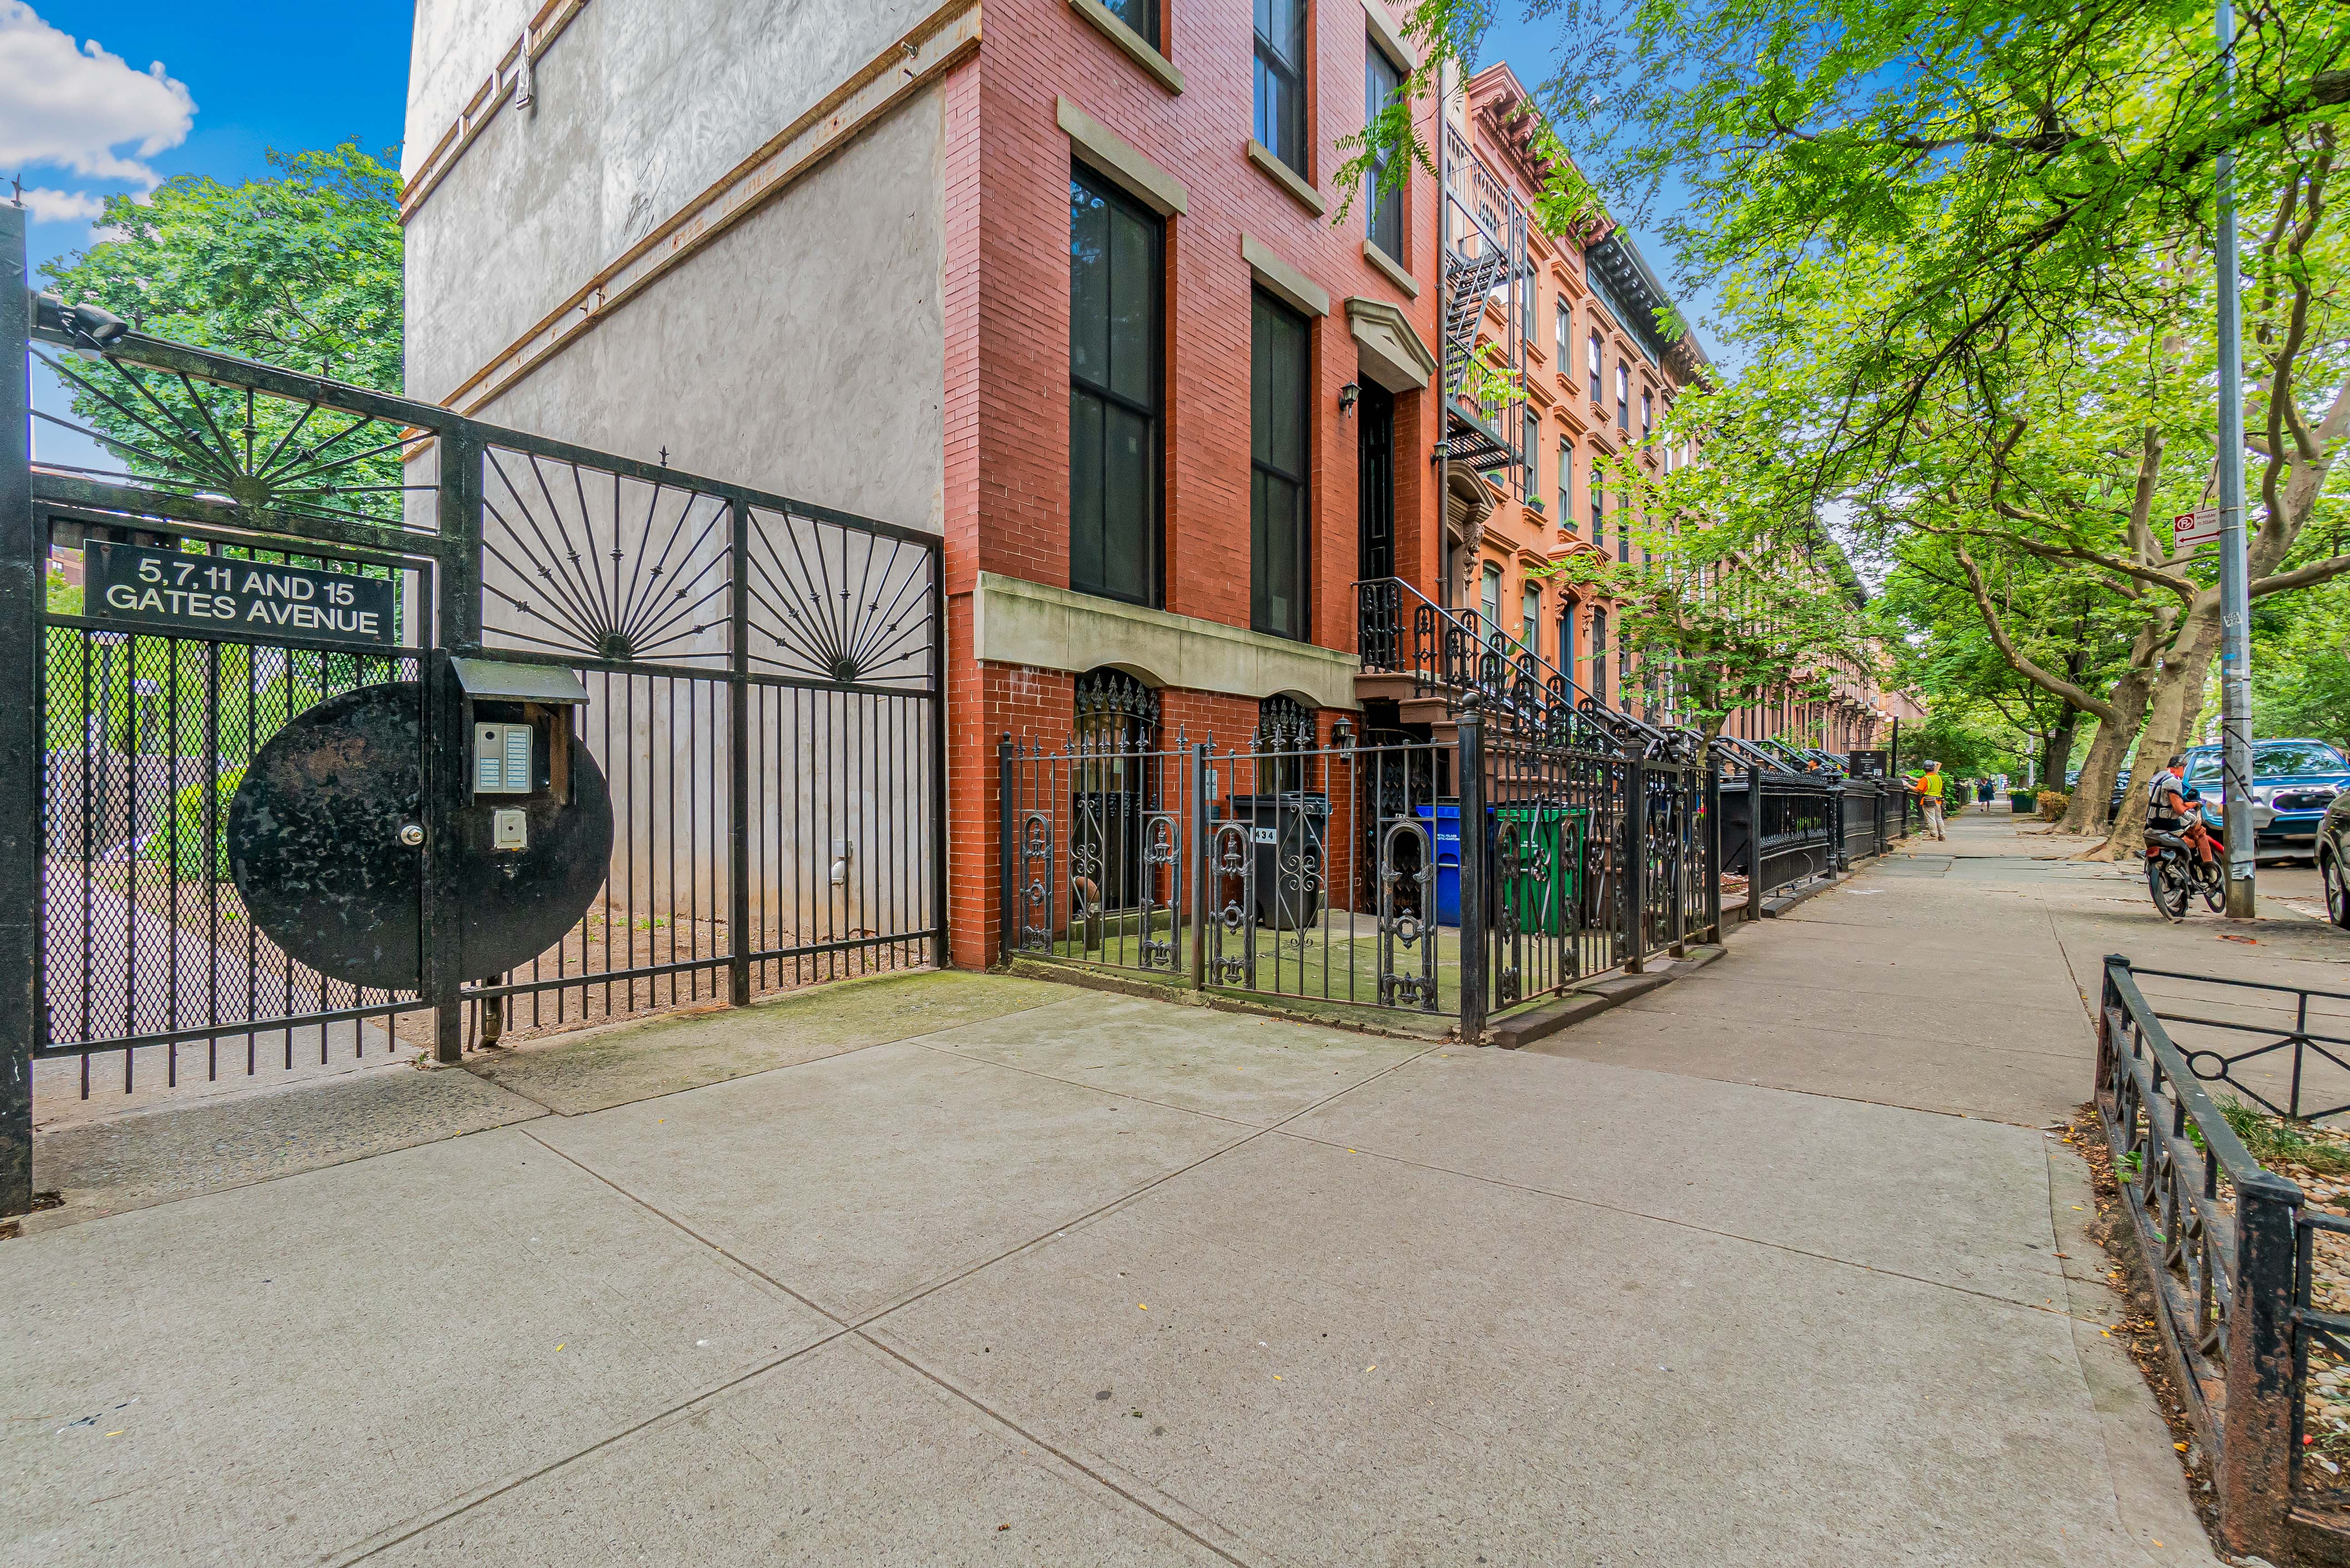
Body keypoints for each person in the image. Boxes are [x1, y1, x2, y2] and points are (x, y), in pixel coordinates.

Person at [1916, 759, 1947, 840]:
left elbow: (1917, 789)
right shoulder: (1938, 777)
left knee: (1931, 818)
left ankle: (1933, 835)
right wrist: (1911, 778)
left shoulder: (1925, 779)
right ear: (1933, 768)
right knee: (1939, 818)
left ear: (1924, 769)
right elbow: (1924, 782)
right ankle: (1942, 835)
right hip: (1938, 800)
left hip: (1929, 800)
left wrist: (1907, 784)